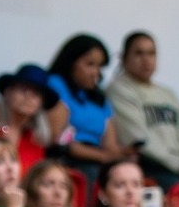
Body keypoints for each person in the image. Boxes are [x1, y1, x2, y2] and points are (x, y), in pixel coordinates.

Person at [105, 31, 179, 191]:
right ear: (124, 58)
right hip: (150, 168)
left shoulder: (167, 94)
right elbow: (139, 142)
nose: (146, 60)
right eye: (139, 53)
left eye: (151, 54)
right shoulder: (119, 90)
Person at [46, 34, 127, 169]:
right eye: (90, 64)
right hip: (68, 159)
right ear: (71, 62)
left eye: (100, 66)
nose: (96, 72)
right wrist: (102, 156)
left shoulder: (100, 98)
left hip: (99, 159)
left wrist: (123, 153)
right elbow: (59, 139)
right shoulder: (56, 85)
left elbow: (110, 146)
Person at [0, 63, 59, 178]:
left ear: (41, 104)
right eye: (23, 89)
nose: (28, 96)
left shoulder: (35, 140)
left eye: (36, 94)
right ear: (7, 92)